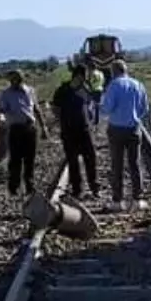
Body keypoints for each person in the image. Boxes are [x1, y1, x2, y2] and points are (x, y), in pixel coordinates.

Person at [100, 58, 150, 210]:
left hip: (116, 129)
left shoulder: (113, 86)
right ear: (126, 70)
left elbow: (107, 109)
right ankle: (137, 200)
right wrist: (134, 117)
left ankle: (118, 201)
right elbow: (144, 108)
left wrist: (102, 110)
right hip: (134, 129)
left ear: (114, 72)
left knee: (117, 165)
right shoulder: (138, 84)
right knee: (135, 163)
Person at [0, 69, 47, 197]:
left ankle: (30, 186)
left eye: (16, 79)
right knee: (15, 160)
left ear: (22, 79)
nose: (13, 82)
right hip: (15, 129)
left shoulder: (30, 91)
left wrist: (43, 127)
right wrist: (1, 118)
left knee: (30, 159)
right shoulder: (5, 94)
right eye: (11, 79)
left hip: (30, 128)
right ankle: (13, 188)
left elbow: (36, 109)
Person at [51, 63, 99, 201]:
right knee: (73, 161)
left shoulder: (86, 88)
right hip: (69, 131)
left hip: (84, 129)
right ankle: (77, 189)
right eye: (85, 76)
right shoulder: (62, 90)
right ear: (79, 76)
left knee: (90, 159)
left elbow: (92, 104)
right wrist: (62, 119)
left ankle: (94, 188)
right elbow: (55, 107)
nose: (87, 78)